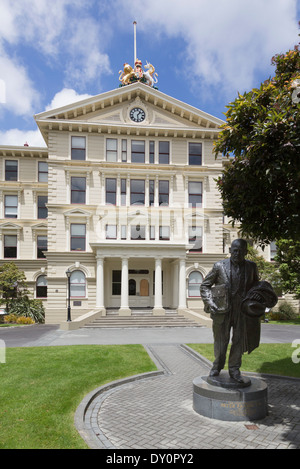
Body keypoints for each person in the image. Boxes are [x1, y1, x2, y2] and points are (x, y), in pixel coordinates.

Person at [200, 239, 260, 383]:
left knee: (238, 342)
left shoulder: (252, 267)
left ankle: (234, 369)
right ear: (230, 250)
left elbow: (257, 286)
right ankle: (217, 366)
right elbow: (205, 286)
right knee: (221, 342)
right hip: (222, 311)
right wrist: (210, 301)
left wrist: (257, 294)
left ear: (246, 252)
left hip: (242, 311)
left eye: (240, 251)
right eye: (234, 250)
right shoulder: (219, 266)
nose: (237, 253)